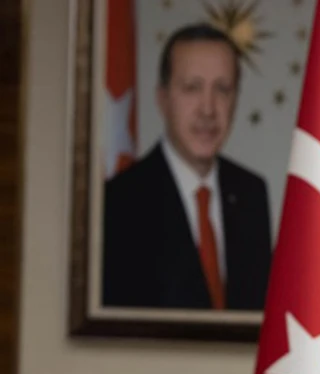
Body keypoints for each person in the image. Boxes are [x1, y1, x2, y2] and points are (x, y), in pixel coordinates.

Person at [102, 24, 272, 311]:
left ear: (236, 100)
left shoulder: (251, 194)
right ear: (163, 99)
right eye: (192, 88)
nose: (208, 109)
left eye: (222, 89)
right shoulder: (120, 202)